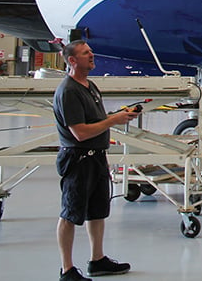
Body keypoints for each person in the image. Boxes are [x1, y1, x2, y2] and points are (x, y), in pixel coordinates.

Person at [53, 40, 139, 280]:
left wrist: (118, 116)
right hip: (78, 160)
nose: (91, 55)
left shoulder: (89, 85)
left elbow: (95, 120)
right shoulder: (69, 91)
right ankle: (67, 269)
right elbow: (79, 132)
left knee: (98, 211)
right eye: (85, 53)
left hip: (96, 159)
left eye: (90, 51)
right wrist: (113, 121)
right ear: (72, 60)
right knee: (71, 213)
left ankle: (97, 259)